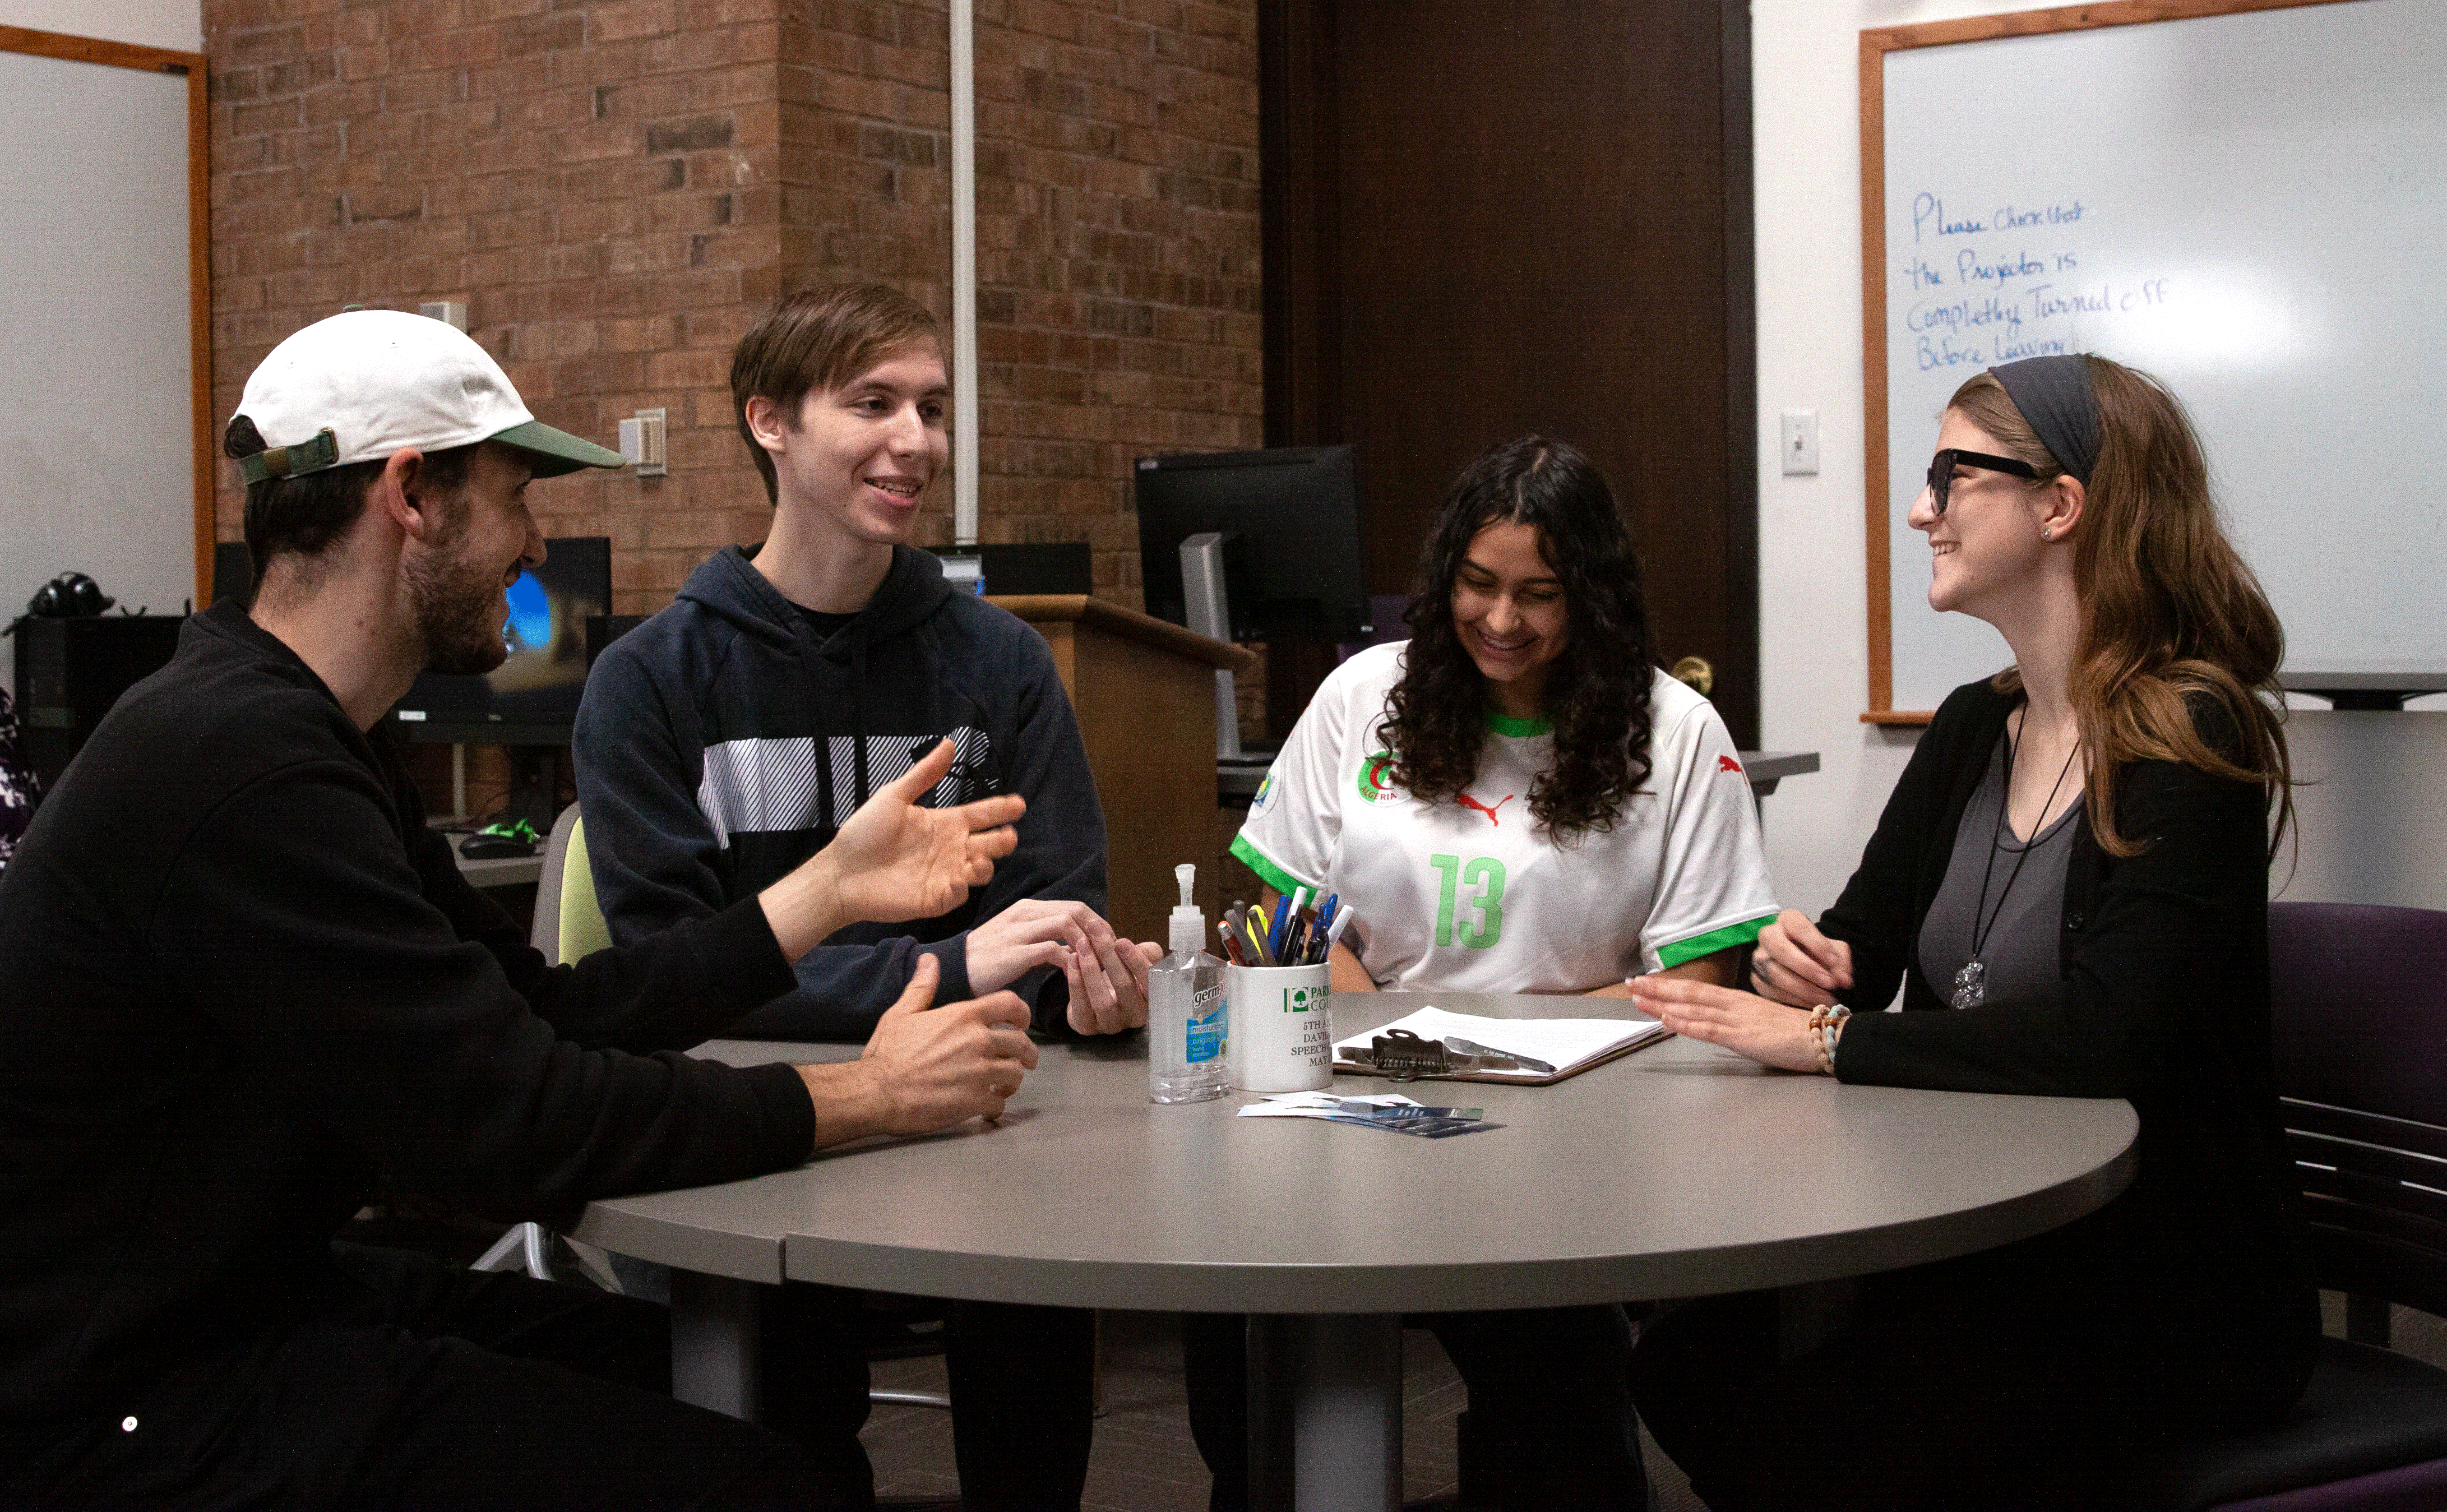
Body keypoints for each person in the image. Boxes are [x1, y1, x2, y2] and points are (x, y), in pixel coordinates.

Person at [0, 308, 1045, 1511]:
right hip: (121, 1396)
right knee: (760, 1476)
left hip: (241, 1298)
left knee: (780, 1377)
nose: (537, 546)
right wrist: (868, 1095)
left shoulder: (297, 729)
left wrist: (824, 890)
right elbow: (512, 1124)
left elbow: (538, 1010)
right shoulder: (243, 767)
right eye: (517, 497)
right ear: (412, 496)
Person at [1626, 353, 2318, 1510]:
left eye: (1952, 475)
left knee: (1798, 1440)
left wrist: (1828, 1041)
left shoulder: (2195, 736)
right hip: (1982, 1252)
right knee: (1686, 1366)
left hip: (2162, 1286)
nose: (1919, 509)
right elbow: (1862, 947)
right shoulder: (1969, 725)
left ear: (2060, 506)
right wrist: (1801, 969)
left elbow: (2105, 1040)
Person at [573, 283, 1156, 1509]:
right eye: (874, 404)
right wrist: (948, 970)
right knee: (787, 1430)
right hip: (767, 1126)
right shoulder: (653, 682)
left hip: (987, 1123)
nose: (916, 442)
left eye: (932, 410)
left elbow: (1059, 918)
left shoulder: (996, 662)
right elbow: (672, 974)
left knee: (1039, 1315)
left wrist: (1093, 988)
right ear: (770, 422)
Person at [1189, 436, 1782, 1511]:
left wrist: (1478, 1039)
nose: (1502, 622)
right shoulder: (1365, 692)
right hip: (1361, 1101)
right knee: (1239, 1337)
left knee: (1552, 1395)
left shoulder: (1678, 733)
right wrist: (1389, 1026)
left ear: (1590, 600)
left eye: (1540, 595)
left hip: (1578, 1125)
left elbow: (1705, 980)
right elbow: (1286, 907)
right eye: (1477, 585)